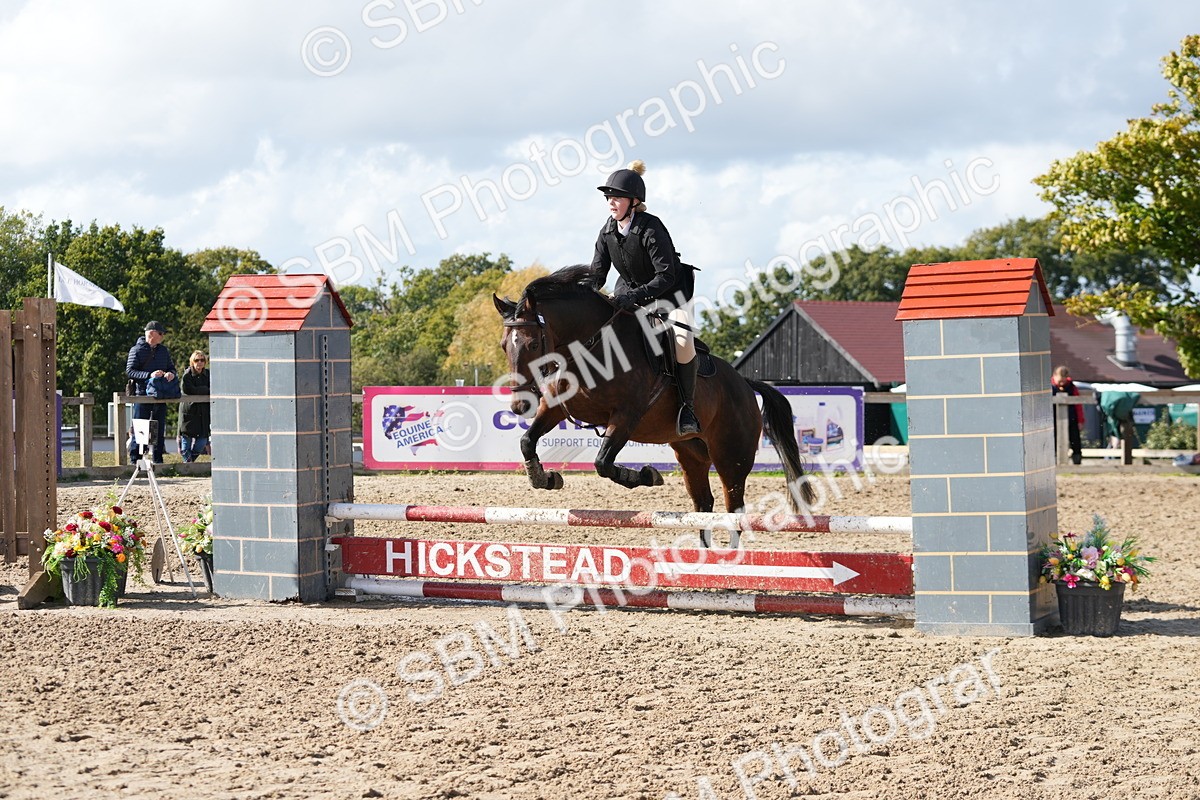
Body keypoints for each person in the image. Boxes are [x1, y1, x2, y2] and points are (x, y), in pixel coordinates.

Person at [590, 159, 701, 436]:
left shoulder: (651, 228)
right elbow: (597, 275)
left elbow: (666, 275)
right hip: (629, 298)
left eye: (616, 197)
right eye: (608, 198)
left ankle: (687, 408)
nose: (610, 202)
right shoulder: (607, 231)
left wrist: (636, 295)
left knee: (683, 341)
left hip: (670, 297)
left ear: (634, 201)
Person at [126, 320, 176, 463]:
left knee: (159, 429)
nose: (163, 336)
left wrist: (170, 374)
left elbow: (171, 367)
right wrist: (150, 375)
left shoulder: (163, 350)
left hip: (160, 394)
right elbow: (130, 372)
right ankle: (136, 459)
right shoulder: (136, 350)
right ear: (152, 334)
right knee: (140, 428)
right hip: (142, 395)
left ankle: (158, 459)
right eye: (161, 333)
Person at [178, 350, 211, 462]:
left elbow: (212, 389)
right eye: (197, 360)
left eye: (202, 360)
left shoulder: (208, 374)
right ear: (192, 362)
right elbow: (188, 389)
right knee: (185, 442)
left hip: (203, 413)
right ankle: (188, 464)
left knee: (201, 442)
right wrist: (205, 390)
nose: (200, 362)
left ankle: (189, 463)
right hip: (189, 412)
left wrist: (200, 390)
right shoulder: (187, 375)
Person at [1051, 365, 1083, 465]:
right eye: (1060, 381)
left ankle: (1077, 463)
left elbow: (1078, 405)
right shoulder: (1049, 387)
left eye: (1063, 381)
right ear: (1054, 376)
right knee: (1053, 442)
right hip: (1053, 421)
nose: (1061, 384)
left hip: (1071, 419)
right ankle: (1054, 463)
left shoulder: (1072, 388)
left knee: (1075, 442)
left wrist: (1080, 421)